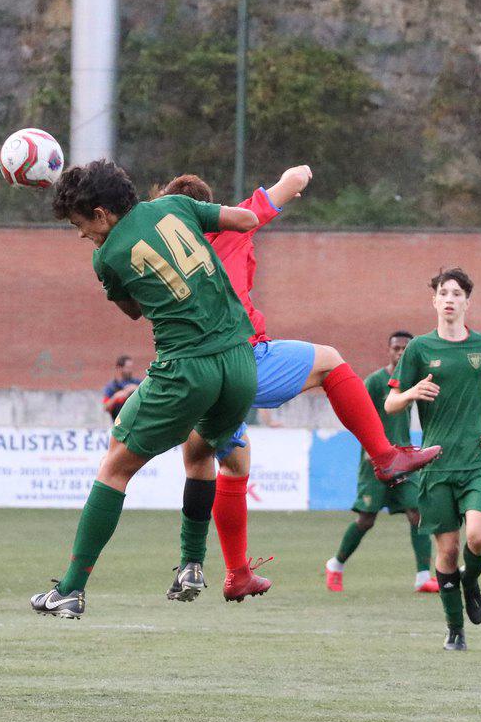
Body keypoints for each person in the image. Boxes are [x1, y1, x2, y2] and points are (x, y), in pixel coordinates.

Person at [159, 167, 441, 604]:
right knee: (330, 361)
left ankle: (211, 567)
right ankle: (385, 456)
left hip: (190, 374)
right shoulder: (230, 224)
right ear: (208, 209)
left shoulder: (158, 251)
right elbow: (289, 184)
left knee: (214, 461)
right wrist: (303, 173)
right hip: (242, 360)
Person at [30, 159, 261, 619]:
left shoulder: (107, 255)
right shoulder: (178, 205)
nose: (82, 235)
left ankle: (71, 590)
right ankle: (193, 564)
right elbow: (248, 219)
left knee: (115, 466)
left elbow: (135, 311)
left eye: (80, 225)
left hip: (185, 370)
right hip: (240, 365)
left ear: (101, 214)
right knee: (199, 454)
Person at [386, 268, 481, 651]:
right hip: (437, 465)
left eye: (456, 294)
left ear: (466, 302)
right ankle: (454, 628)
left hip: (477, 460)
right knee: (446, 551)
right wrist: (411, 392)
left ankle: (471, 582)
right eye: (443, 293)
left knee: (477, 538)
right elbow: (391, 404)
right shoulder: (419, 349)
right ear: (434, 301)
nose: (449, 299)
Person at [326, 331, 437, 594]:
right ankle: (336, 564)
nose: (400, 353)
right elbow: (354, 411)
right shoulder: (376, 382)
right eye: (396, 348)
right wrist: (367, 446)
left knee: (417, 514)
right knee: (366, 519)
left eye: (405, 349)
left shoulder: (411, 383)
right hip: (374, 459)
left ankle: (423, 577)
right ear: (389, 350)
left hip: (405, 459)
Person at [102, 355, 142, 420]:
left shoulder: (137, 383)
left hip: (135, 423)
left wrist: (137, 388)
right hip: (119, 424)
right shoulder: (111, 386)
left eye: (131, 367)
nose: (130, 370)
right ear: (119, 368)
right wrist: (116, 397)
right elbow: (105, 407)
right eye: (128, 367)